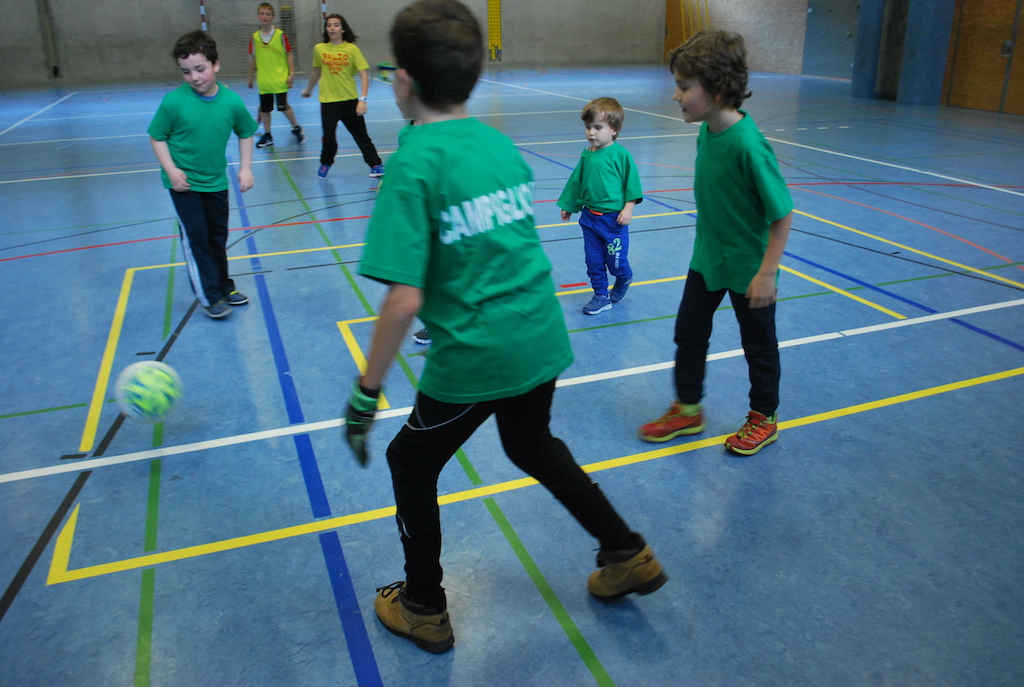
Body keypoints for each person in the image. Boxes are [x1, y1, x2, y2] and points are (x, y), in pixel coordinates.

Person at [343, 0, 666, 654]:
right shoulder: (497, 143)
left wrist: (365, 392)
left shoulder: (412, 162)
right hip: (539, 336)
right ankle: (626, 551)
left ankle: (423, 604)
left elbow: (403, 301)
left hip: (478, 355)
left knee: (410, 460)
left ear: (404, 80)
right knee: (531, 444)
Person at [639, 31, 793, 456]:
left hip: (748, 268)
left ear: (717, 90)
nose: (676, 95)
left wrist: (766, 274)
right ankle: (688, 409)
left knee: (758, 347)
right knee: (689, 335)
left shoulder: (749, 146)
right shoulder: (707, 131)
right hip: (707, 259)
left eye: (684, 86)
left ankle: (764, 418)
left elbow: (782, 215)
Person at [148, 31, 259, 319]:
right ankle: (209, 295)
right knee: (197, 237)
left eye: (200, 69)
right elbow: (157, 137)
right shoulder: (173, 102)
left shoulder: (231, 102)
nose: (194, 77)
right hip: (183, 185)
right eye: (186, 72)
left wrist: (246, 167)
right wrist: (171, 170)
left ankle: (223, 287)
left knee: (217, 237)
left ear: (215, 64)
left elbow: (246, 132)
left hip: (216, 182)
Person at [557, 97, 643, 315]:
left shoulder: (620, 155)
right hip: (590, 219)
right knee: (593, 261)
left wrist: (628, 208)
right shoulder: (587, 154)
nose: (591, 133)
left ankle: (624, 278)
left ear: (614, 129)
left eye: (597, 127)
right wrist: (569, 205)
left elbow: (632, 183)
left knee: (616, 263)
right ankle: (601, 295)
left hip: (613, 221)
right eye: (588, 127)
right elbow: (576, 181)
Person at [301, 13, 384, 179]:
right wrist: (309, 89)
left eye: (336, 25)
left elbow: (364, 74)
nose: (332, 28)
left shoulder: (352, 49)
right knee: (329, 138)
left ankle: (375, 164)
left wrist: (363, 100)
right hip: (328, 102)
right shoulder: (320, 49)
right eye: (329, 25)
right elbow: (316, 70)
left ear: (343, 29)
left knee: (361, 136)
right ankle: (326, 163)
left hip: (349, 101)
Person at [246, 2, 305, 148]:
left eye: (268, 14)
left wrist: (291, 73)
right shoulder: (254, 37)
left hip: (279, 78)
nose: (265, 17)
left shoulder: (280, 35)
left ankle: (296, 127)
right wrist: (250, 76)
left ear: (273, 17)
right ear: (258, 16)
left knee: (283, 106)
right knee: (265, 108)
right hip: (264, 80)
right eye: (262, 14)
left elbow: (289, 54)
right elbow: (252, 58)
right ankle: (268, 135)